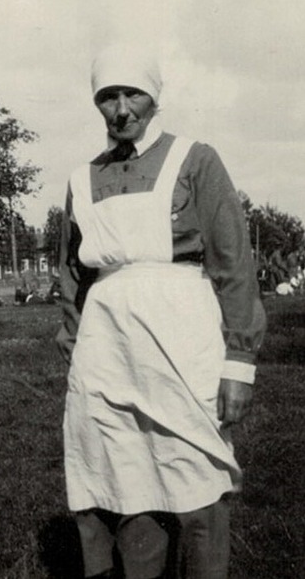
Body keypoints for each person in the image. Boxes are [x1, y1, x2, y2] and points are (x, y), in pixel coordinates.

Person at [56, 45, 267, 579]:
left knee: (196, 480)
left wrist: (239, 362)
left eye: (134, 94)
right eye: (108, 97)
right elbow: (71, 277)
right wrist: (75, 346)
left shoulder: (195, 159)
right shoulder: (82, 179)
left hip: (182, 337)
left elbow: (232, 264)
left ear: (156, 96)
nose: (122, 109)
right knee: (124, 484)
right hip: (107, 348)